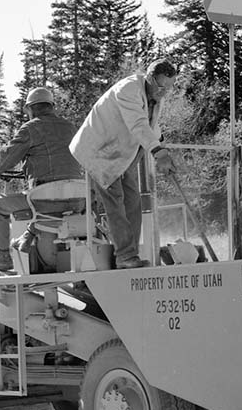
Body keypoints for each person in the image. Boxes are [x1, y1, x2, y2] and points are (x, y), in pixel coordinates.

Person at [70, 59, 179, 270]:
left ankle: (131, 255)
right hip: (98, 152)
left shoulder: (156, 96)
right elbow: (138, 124)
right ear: (149, 78)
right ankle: (125, 257)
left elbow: (151, 126)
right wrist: (159, 152)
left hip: (121, 154)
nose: (164, 91)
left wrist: (163, 147)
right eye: (161, 86)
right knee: (116, 200)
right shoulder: (128, 89)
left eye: (169, 87)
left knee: (133, 200)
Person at [0, 87, 82, 272]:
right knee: (44, 204)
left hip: (46, 200)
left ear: (30, 109)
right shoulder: (70, 127)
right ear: (52, 106)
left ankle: (3, 256)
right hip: (78, 200)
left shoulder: (31, 128)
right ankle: (29, 239)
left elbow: (7, 156)